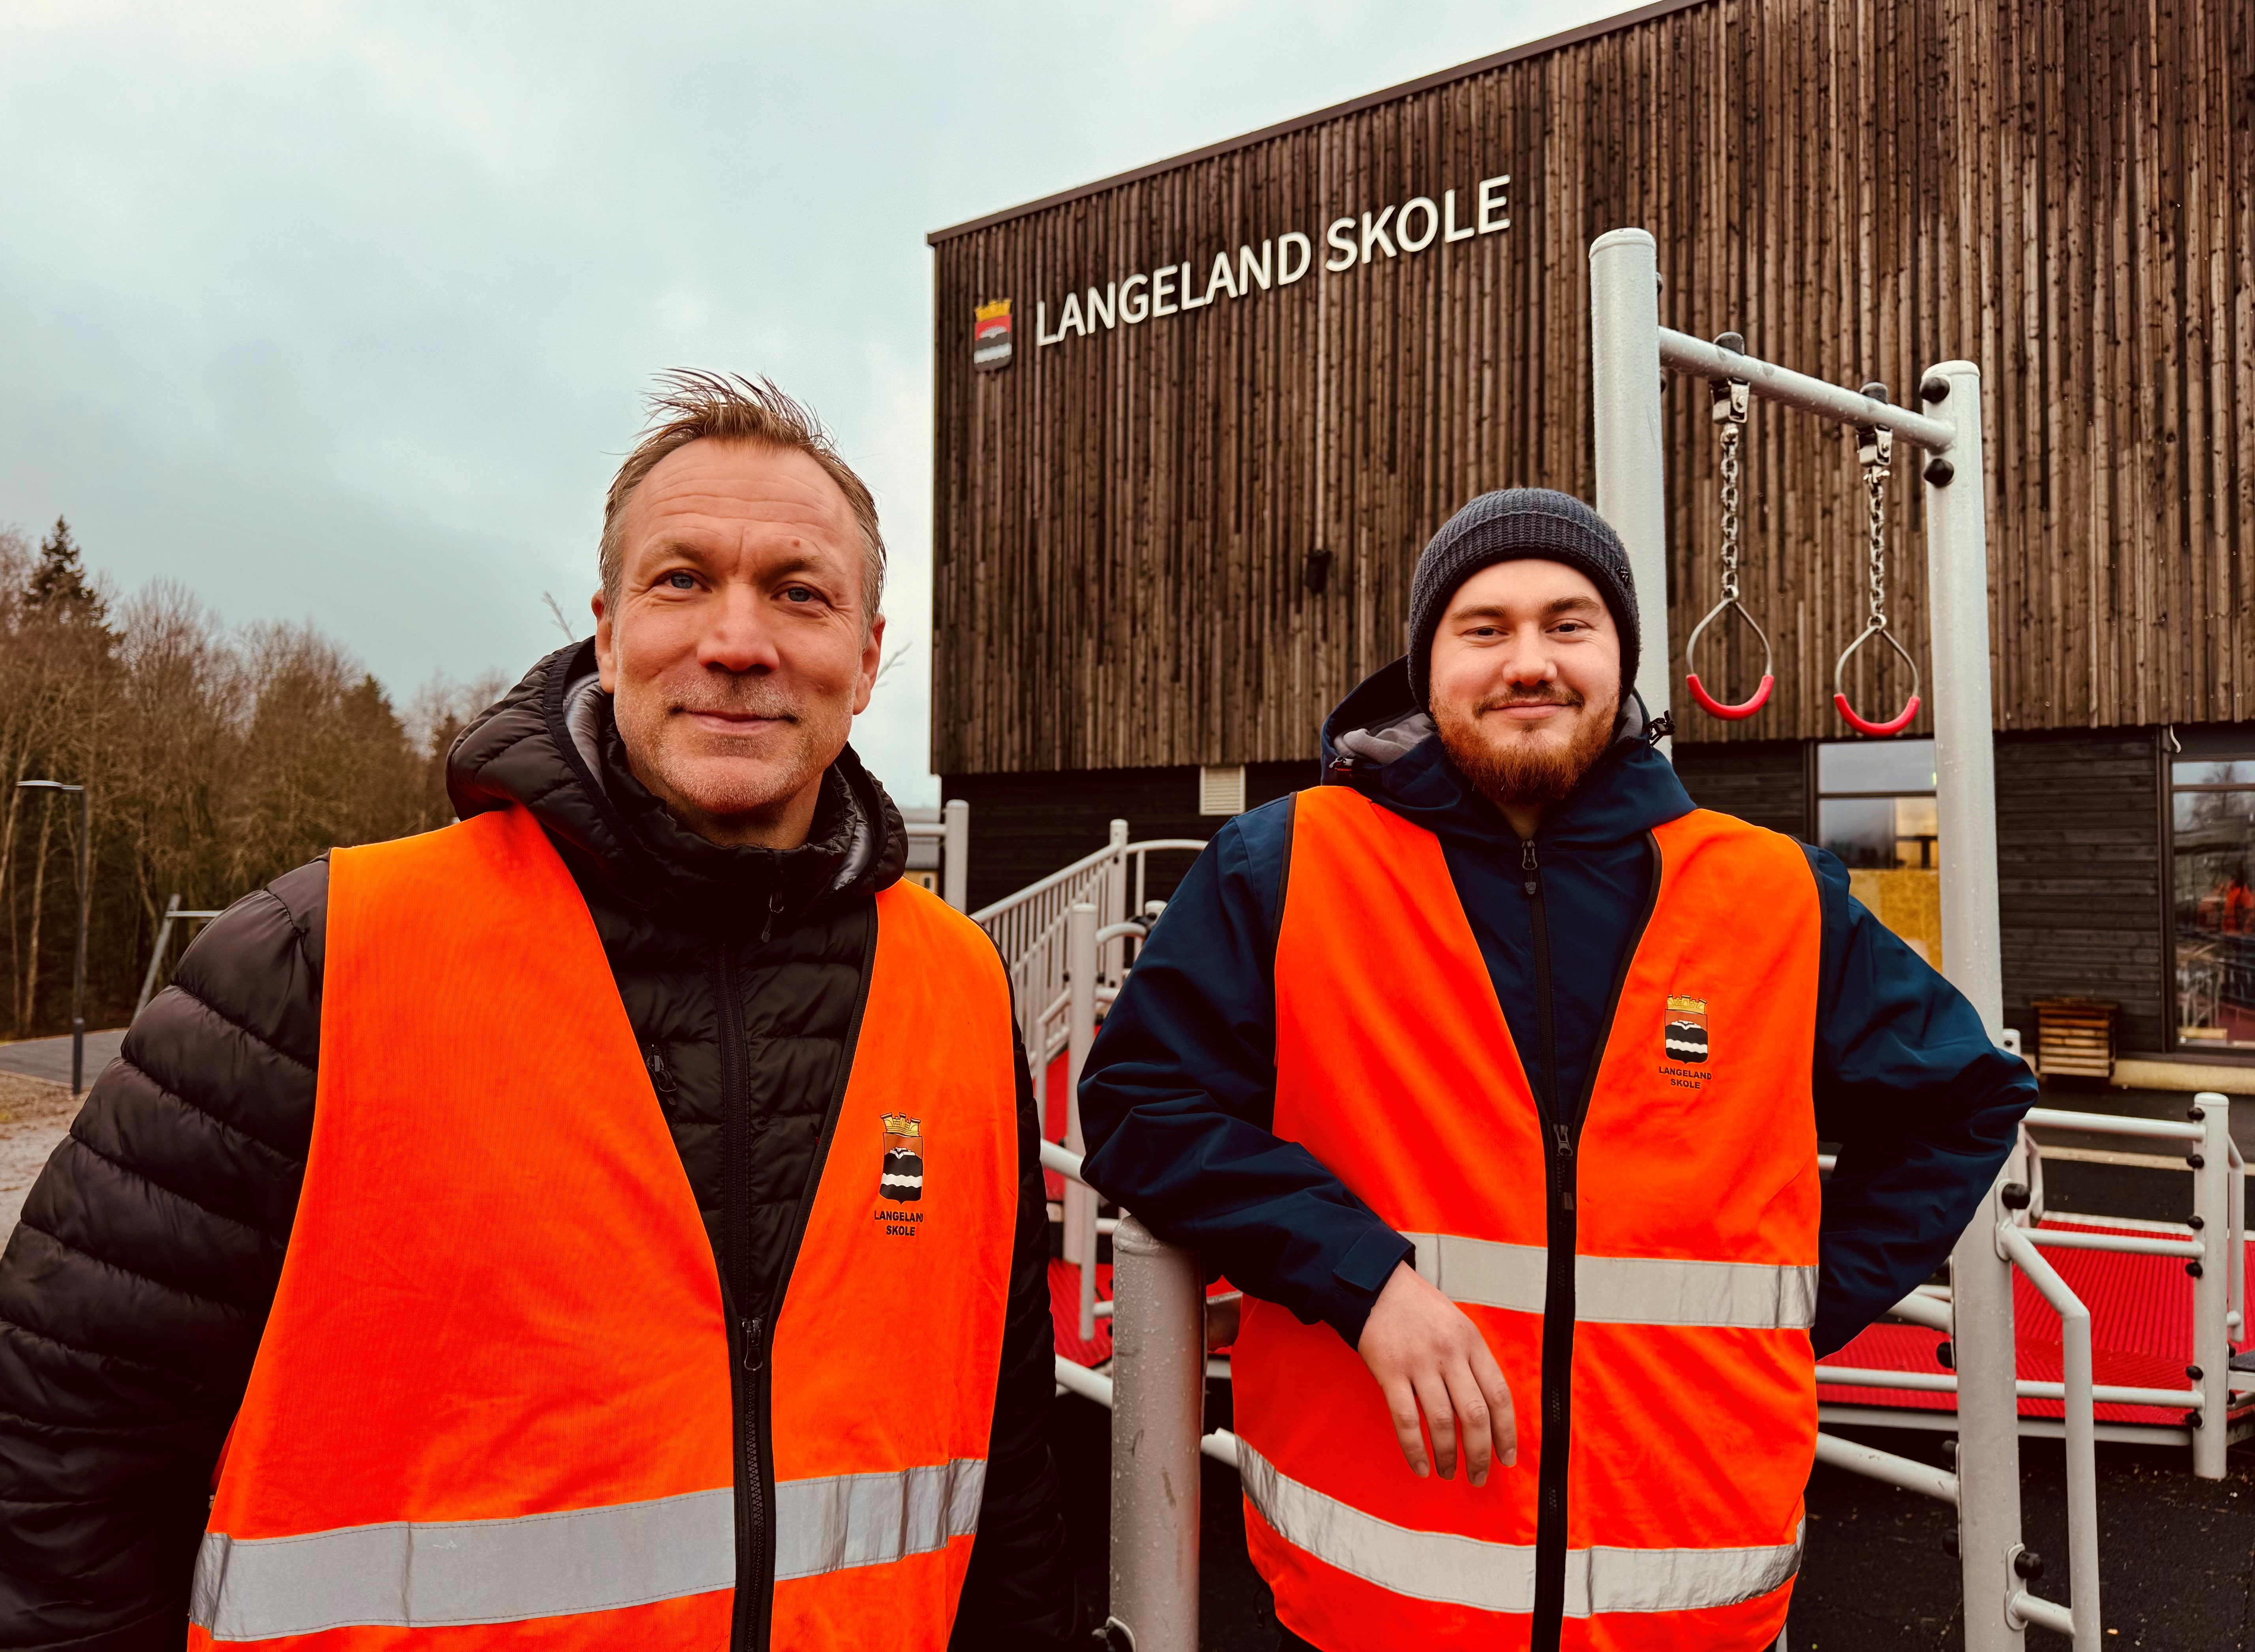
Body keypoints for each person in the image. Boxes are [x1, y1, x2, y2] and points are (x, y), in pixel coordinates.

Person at [0, 373, 1076, 1650]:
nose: (739, 639)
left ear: (868, 654)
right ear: (607, 632)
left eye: (800, 591)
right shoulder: (318, 961)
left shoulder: (956, 992)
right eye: (684, 582)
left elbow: (1009, 1479)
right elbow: (59, 1464)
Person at [1079, 488, 2036, 1652]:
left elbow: (1965, 1094)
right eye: (1483, 628)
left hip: (1688, 1608)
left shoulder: (1768, 892)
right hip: (1379, 1608)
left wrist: (1790, 1305)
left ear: (1621, 657)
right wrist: (1360, 1276)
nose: (1528, 661)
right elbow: (1138, 1099)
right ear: (1426, 662)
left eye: (1568, 623)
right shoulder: (1289, 865)